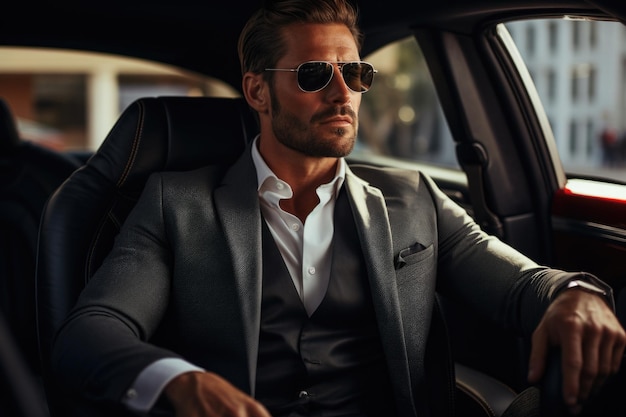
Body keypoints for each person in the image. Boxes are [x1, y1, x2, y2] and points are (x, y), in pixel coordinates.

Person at [51, 1, 626, 416]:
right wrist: (179, 381)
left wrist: (576, 294)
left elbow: (522, 285)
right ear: (257, 93)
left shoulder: (413, 197)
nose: (341, 93)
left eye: (355, 72)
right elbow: (92, 330)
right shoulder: (176, 205)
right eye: (313, 74)